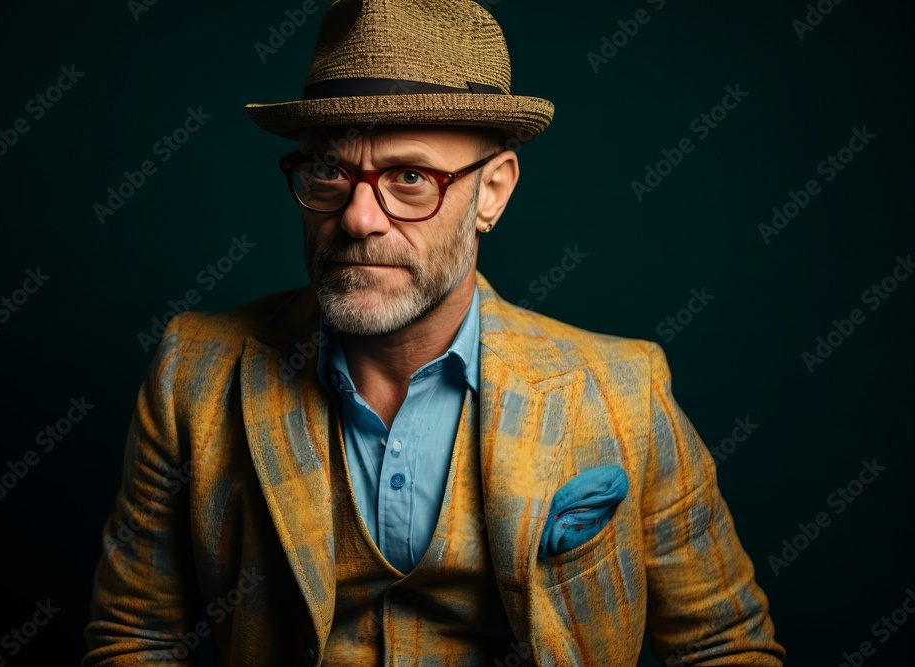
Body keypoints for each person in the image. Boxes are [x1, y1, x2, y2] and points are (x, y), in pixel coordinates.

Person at [83, 1, 785, 665]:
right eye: (328, 169)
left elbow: (724, 644)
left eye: (410, 176)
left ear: (494, 191)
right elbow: (133, 633)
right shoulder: (194, 373)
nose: (359, 218)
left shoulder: (626, 392)